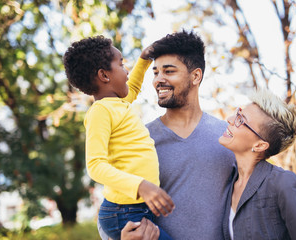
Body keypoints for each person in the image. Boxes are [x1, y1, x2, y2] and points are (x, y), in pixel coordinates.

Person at [99, 30, 235, 240]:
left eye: (169, 71)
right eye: (155, 73)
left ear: (196, 76)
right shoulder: (138, 139)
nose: (157, 80)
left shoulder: (228, 137)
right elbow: (112, 210)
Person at [63, 35, 174, 240]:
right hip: (123, 212)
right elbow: (96, 165)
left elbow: (132, 88)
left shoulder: (118, 103)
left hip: (136, 208)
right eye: (122, 65)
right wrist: (141, 185)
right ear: (104, 75)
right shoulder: (100, 111)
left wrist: (144, 59)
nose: (127, 71)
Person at [219, 88, 296, 240]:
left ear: (260, 145)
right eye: (238, 112)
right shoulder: (229, 183)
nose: (230, 119)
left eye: (241, 119)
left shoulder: (284, 184)